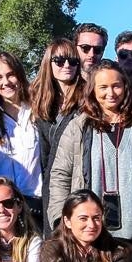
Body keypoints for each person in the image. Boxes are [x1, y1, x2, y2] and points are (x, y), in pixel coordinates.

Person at [48, 61, 132, 247]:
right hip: (88, 237)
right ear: (92, 90)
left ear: (125, 87)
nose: (110, 93)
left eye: (116, 86)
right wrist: (60, 220)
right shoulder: (78, 128)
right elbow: (60, 176)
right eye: (103, 87)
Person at [31, 38, 85, 227]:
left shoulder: (88, 99)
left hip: (79, 182)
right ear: (48, 63)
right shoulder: (38, 100)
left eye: (72, 61)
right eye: (59, 61)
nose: (67, 65)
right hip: (48, 186)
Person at [0, 52, 42, 216]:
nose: (6, 82)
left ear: (19, 75)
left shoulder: (36, 113)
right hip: (1, 209)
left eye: (10, 75)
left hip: (36, 206)